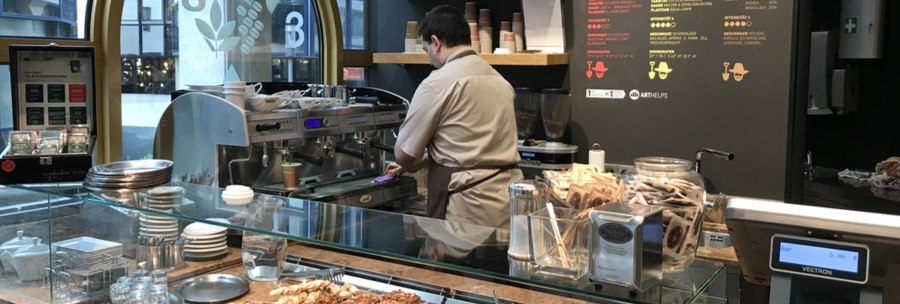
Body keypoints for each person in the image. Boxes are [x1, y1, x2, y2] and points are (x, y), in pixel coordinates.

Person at [388, 5, 523, 229]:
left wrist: (411, 164)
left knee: (454, 264)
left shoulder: (437, 83)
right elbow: (471, 148)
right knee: (495, 264)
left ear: (436, 42)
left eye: (425, 49)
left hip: (464, 208)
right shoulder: (500, 81)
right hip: (506, 203)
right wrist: (422, 163)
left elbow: (403, 155)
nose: (428, 56)